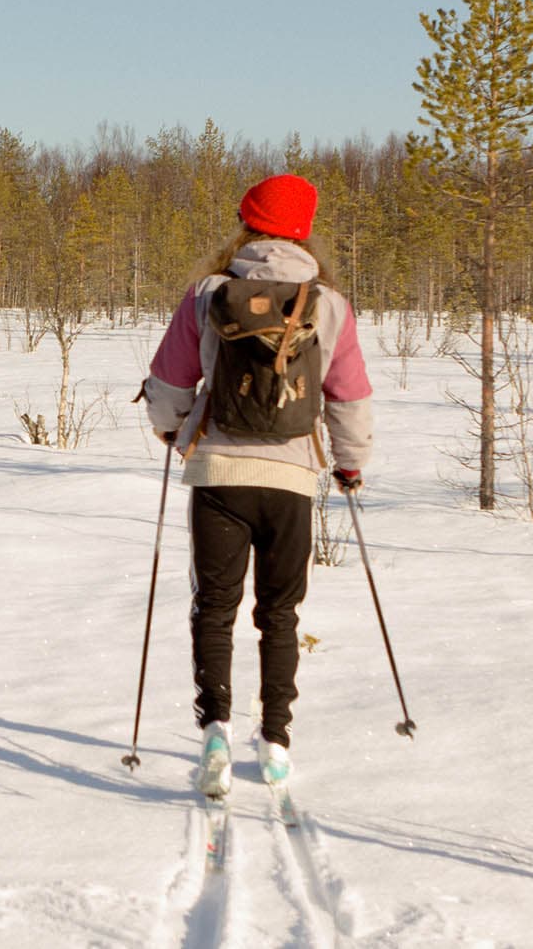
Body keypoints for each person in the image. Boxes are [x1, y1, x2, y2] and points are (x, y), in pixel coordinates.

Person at [142, 173, 374, 798]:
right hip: (292, 480)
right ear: (305, 231)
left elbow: (168, 383)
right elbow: (348, 395)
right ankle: (274, 740)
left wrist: (171, 431)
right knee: (280, 612)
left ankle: (214, 727)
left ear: (246, 223)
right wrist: (350, 464)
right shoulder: (327, 304)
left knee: (214, 607)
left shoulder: (207, 294)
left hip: (219, 473)